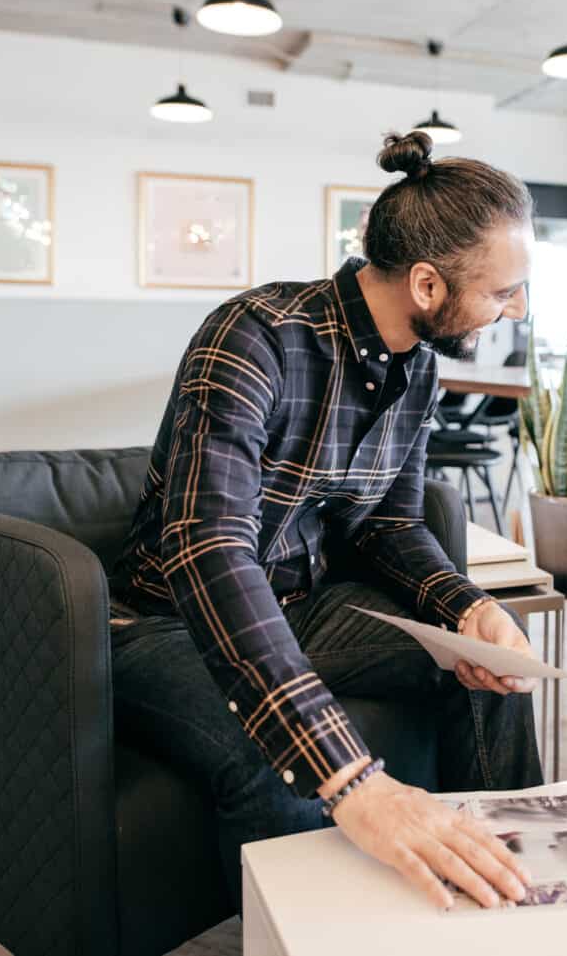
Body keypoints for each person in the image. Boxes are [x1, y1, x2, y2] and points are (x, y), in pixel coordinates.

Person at [110, 131, 542, 913]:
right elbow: (208, 548)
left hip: (306, 606)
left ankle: (512, 888)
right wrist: (353, 779)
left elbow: (389, 524)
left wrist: (467, 605)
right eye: (504, 290)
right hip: (162, 623)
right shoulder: (254, 337)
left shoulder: (421, 366)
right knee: (273, 756)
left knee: (491, 666)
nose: (516, 309)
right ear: (426, 284)